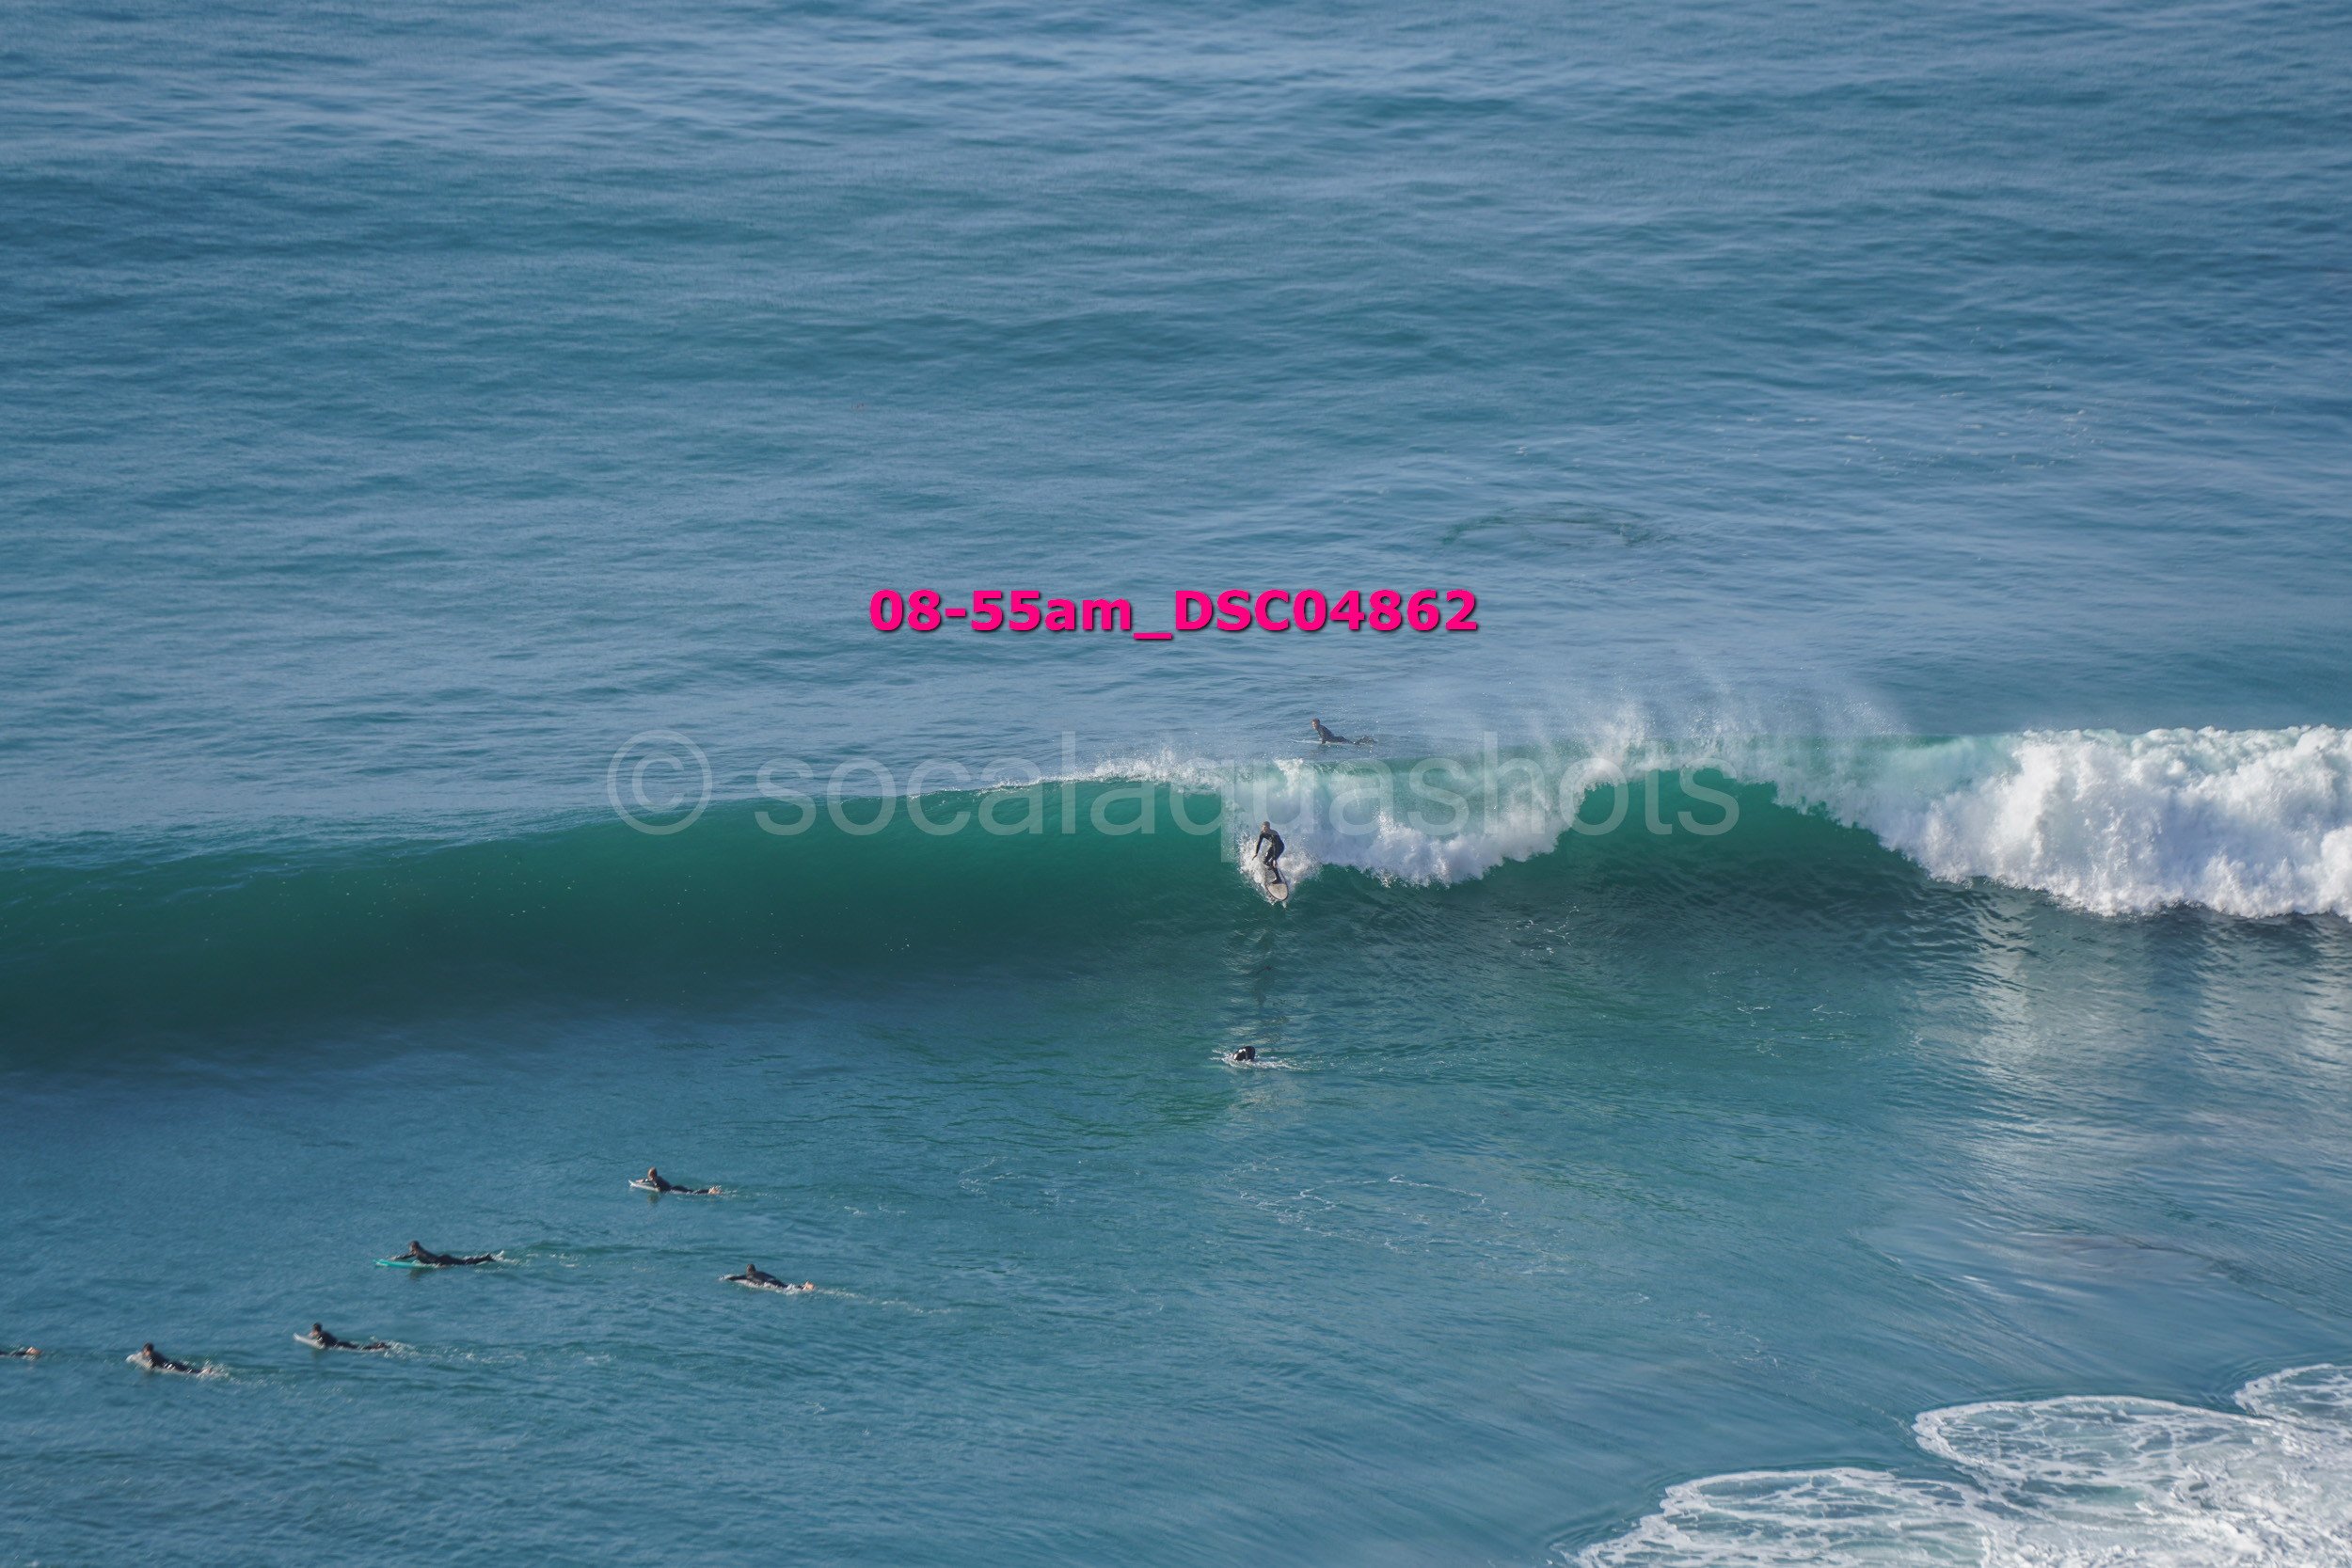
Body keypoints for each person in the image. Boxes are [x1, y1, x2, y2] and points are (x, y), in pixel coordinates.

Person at [401, 1240, 495, 1267]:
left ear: (413, 1247)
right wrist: (394, 1259)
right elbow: (406, 1256)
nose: (409, 1249)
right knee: (464, 1261)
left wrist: (439, 1265)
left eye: (409, 1247)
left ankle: (485, 1258)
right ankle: (484, 1258)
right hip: (444, 1258)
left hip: (443, 1260)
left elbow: (430, 1259)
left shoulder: (419, 1253)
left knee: (465, 1263)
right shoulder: (416, 1251)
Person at [304, 1323, 390, 1352]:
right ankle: (377, 1345)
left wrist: (313, 1338)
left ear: (315, 1330)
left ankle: (379, 1346)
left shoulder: (321, 1335)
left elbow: (321, 1344)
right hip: (341, 1342)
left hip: (340, 1346)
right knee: (360, 1347)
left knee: (361, 1349)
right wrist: (314, 1336)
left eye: (313, 1331)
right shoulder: (325, 1332)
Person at [726, 1263, 812, 1293]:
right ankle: (804, 1286)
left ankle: (804, 1287)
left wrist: (725, 1278)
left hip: (767, 1283)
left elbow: (735, 1278)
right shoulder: (761, 1272)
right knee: (786, 1286)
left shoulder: (748, 1275)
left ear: (748, 1270)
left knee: (785, 1289)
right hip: (773, 1280)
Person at [641, 1166, 719, 1196]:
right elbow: (648, 1180)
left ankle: (710, 1192)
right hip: (675, 1186)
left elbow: (651, 1181)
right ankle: (709, 1190)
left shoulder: (654, 1180)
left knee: (691, 1193)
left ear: (651, 1175)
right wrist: (642, 1180)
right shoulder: (659, 1177)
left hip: (673, 1190)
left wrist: (658, 1189)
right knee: (691, 1191)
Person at [132, 1342, 198, 1374]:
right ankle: (205, 1370)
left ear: (147, 1350)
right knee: (192, 1370)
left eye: (144, 1351)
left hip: (170, 1367)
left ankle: (205, 1371)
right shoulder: (156, 1353)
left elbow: (152, 1367)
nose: (144, 1352)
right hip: (174, 1363)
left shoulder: (151, 1356)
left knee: (189, 1372)